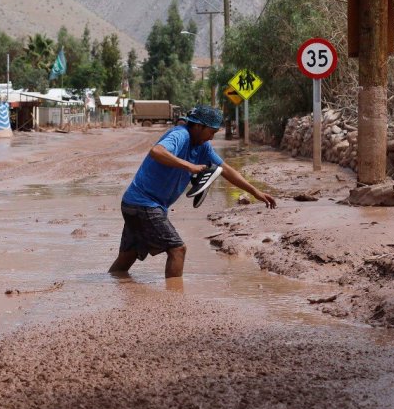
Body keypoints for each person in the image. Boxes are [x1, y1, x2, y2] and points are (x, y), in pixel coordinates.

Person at [109, 105, 276, 279]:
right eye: (210, 132)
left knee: (127, 257)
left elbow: (225, 170)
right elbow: (156, 151)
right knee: (177, 249)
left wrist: (255, 192)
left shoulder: (203, 147)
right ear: (198, 126)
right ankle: (175, 302)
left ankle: (113, 291)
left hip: (135, 204)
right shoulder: (180, 135)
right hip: (144, 205)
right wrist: (190, 166)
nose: (211, 137)